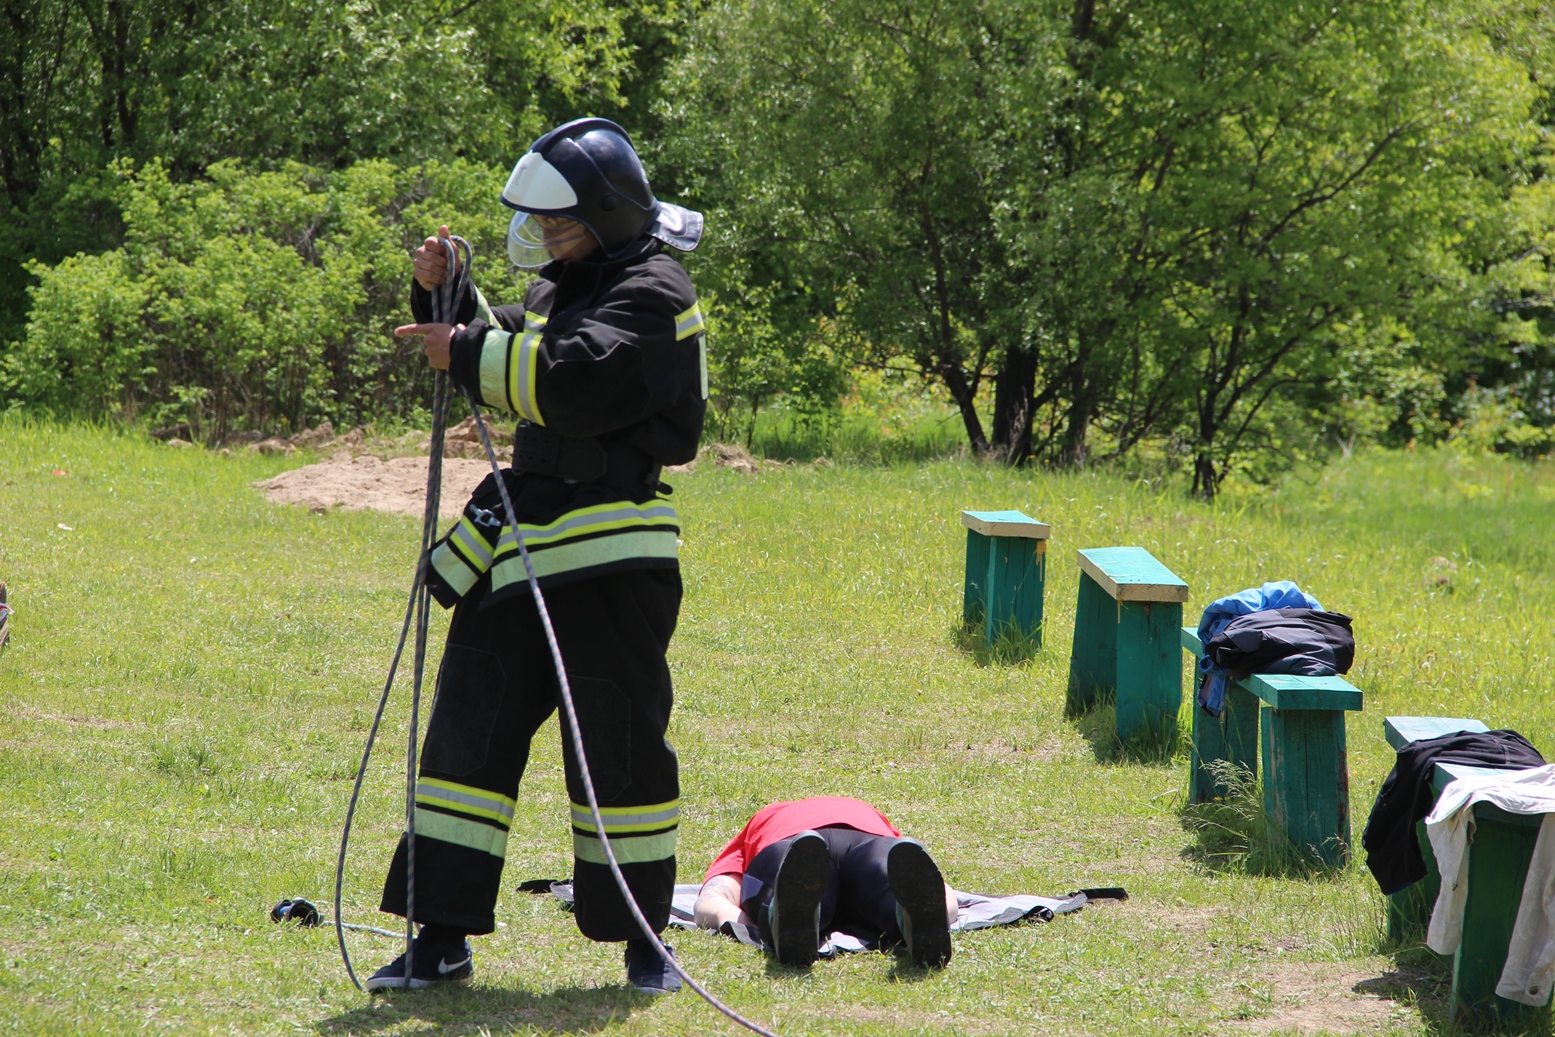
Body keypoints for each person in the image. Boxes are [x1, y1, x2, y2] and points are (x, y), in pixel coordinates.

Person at [367, 118, 707, 995]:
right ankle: (439, 937)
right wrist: (446, 292)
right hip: (518, 551)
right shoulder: (574, 284)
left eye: (558, 223)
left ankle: (644, 942)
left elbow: (578, 380)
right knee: (464, 741)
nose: (547, 237)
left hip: (608, 561)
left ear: (604, 212)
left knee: (618, 752)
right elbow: (502, 332)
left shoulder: (656, 290)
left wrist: (471, 349)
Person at [693, 797, 958, 969]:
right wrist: (944, 908)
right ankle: (908, 919)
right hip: (869, 839)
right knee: (887, 891)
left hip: (788, 842)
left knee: (782, 885)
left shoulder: (761, 820)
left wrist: (741, 923)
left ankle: (781, 915)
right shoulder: (872, 813)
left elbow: (713, 897)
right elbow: (926, 881)